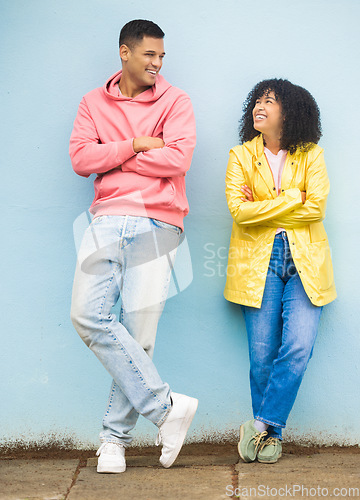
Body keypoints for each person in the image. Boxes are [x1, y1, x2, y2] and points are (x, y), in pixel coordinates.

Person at [69, 19, 198, 474]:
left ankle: (114, 442)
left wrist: (116, 154)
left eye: (162, 57)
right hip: (105, 220)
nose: (158, 65)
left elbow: (178, 158)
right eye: (150, 56)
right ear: (125, 53)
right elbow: (81, 158)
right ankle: (166, 408)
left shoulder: (175, 101)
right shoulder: (92, 102)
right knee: (87, 315)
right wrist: (139, 144)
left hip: (158, 222)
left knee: (138, 335)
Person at [224, 79, 336, 464]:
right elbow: (240, 212)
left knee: (298, 347)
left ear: (290, 111)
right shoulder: (240, 156)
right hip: (258, 262)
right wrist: (292, 197)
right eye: (257, 100)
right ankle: (270, 440)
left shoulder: (312, 155)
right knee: (261, 356)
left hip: (305, 261)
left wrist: (266, 206)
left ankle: (260, 425)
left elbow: (317, 208)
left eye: (269, 101)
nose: (260, 106)